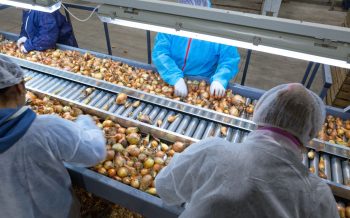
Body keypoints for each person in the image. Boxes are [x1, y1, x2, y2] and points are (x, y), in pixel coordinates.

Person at [156, 83, 339, 218]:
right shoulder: (319, 196)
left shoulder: (211, 150)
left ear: (261, 110)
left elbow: (164, 188)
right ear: (311, 132)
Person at [0, 57, 106, 218]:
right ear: (20, 87)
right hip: (56, 211)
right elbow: (94, 152)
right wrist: (86, 123)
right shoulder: (45, 128)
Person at [152, 0, 240, 98]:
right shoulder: (172, 23)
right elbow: (160, 52)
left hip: (201, 84)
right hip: (169, 79)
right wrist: (175, 77)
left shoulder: (217, 30)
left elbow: (229, 59)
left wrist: (219, 79)